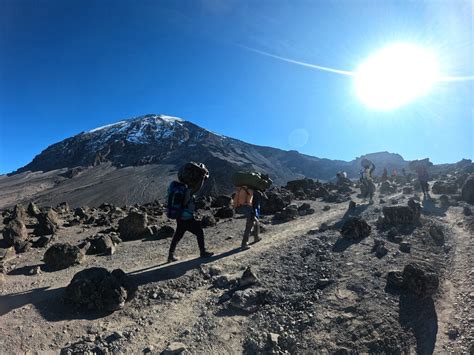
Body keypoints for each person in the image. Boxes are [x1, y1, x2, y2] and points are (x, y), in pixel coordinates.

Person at [168, 177, 213, 262]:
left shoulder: (180, 189)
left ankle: (170, 255)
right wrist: (202, 178)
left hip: (180, 217)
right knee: (199, 232)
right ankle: (203, 252)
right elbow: (198, 188)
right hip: (187, 218)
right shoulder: (188, 191)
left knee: (178, 236)